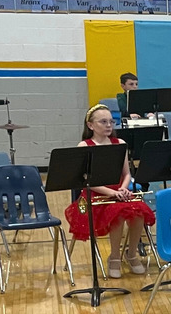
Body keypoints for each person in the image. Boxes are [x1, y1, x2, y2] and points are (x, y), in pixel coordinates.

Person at [63, 104, 156, 279]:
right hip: (95, 196)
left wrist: (122, 188)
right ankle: (114, 257)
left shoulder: (119, 144)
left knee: (139, 213)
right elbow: (85, 181)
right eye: (103, 122)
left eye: (111, 122)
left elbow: (126, 173)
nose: (108, 125)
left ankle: (132, 253)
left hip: (119, 192)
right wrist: (111, 193)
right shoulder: (84, 145)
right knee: (118, 213)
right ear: (91, 125)